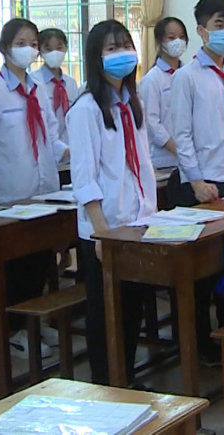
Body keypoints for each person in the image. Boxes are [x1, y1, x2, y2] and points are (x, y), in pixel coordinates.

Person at [0, 17, 67, 359]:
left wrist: (74, 152)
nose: (30, 50)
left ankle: (33, 321)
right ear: (5, 48)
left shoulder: (37, 88)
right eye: (21, 43)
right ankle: (14, 330)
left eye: (34, 44)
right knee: (15, 268)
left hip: (41, 192)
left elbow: (51, 136)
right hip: (8, 195)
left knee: (40, 261)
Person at [67, 19, 157, 385]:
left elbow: (142, 164)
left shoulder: (133, 103)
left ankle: (127, 379)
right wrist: (102, 233)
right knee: (106, 313)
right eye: (111, 48)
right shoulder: (86, 109)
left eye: (126, 45)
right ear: (96, 57)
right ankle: (107, 385)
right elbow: (84, 178)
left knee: (132, 307)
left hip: (138, 222)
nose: (122, 54)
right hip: (105, 229)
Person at [170, 0, 224, 364]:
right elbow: (181, 134)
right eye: (219, 25)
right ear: (201, 30)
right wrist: (195, 180)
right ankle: (199, 343)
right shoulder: (187, 77)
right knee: (201, 273)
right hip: (203, 185)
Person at [139, 16, 188, 171]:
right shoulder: (152, 79)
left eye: (182, 37)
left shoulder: (188, 74)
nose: (177, 42)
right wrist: (174, 147)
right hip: (163, 161)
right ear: (159, 42)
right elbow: (151, 122)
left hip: (189, 157)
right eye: (171, 38)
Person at [32, 28, 80, 145]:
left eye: (59, 48)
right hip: (44, 145)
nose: (54, 53)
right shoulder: (33, 81)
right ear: (40, 51)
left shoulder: (71, 83)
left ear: (66, 49)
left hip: (70, 146)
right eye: (48, 49)